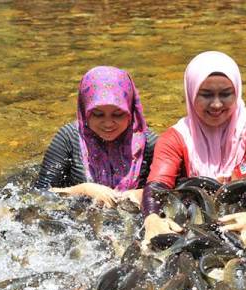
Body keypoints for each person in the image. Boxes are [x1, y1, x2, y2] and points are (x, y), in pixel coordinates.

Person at [142, 51, 246, 245]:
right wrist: (152, 219)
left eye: (225, 94)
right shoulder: (176, 137)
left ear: (238, 92)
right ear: (191, 94)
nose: (216, 104)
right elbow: (157, 186)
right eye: (206, 95)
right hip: (199, 225)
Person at [34, 66, 157, 206]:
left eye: (118, 114)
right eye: (98, 114)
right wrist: (83, 190)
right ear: (84, 111)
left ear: (130, 110)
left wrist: (143, 194)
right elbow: (39, 193)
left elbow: (175, 192)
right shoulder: (68, 138)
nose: (108, 123)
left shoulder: (148, 142)